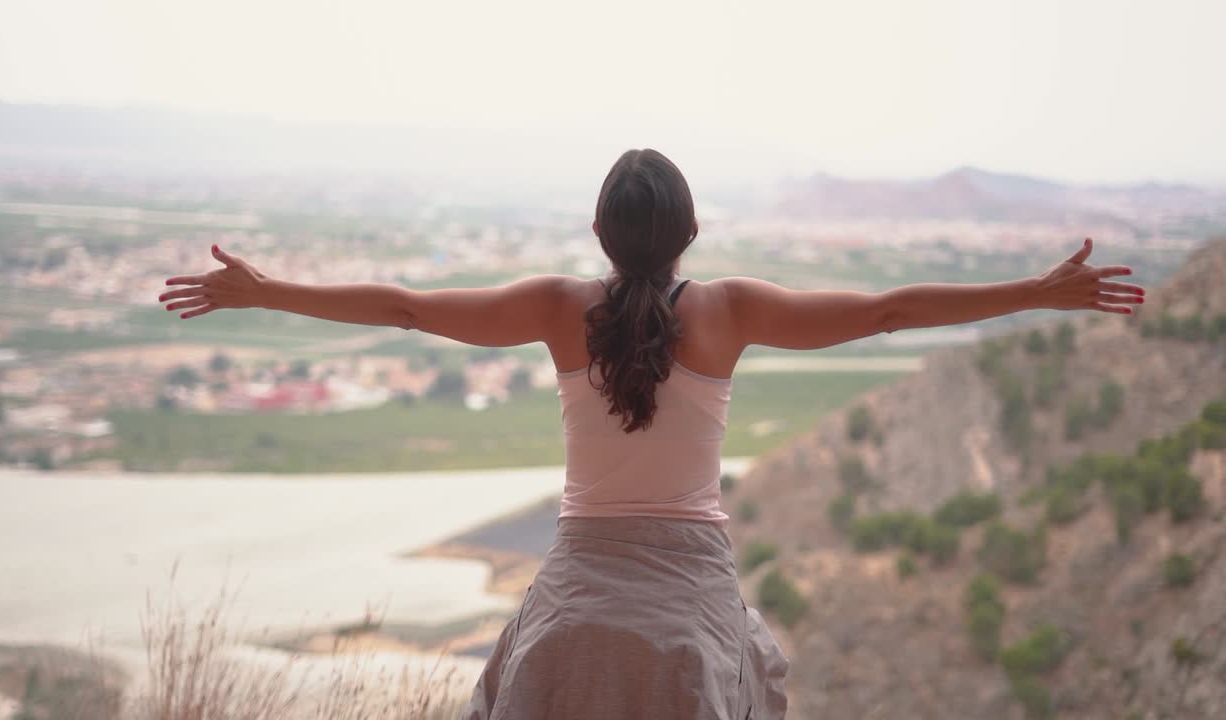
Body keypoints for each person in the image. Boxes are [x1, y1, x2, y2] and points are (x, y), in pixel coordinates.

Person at [158, 148, 1145, 718]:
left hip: (578, 579)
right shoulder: (728, 310)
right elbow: (887, 309)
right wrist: (1037, 291)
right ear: (690, 234)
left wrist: (264, 290)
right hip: (689, 587)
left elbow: (407, 308)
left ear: (597, 236)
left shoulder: (554, 306)